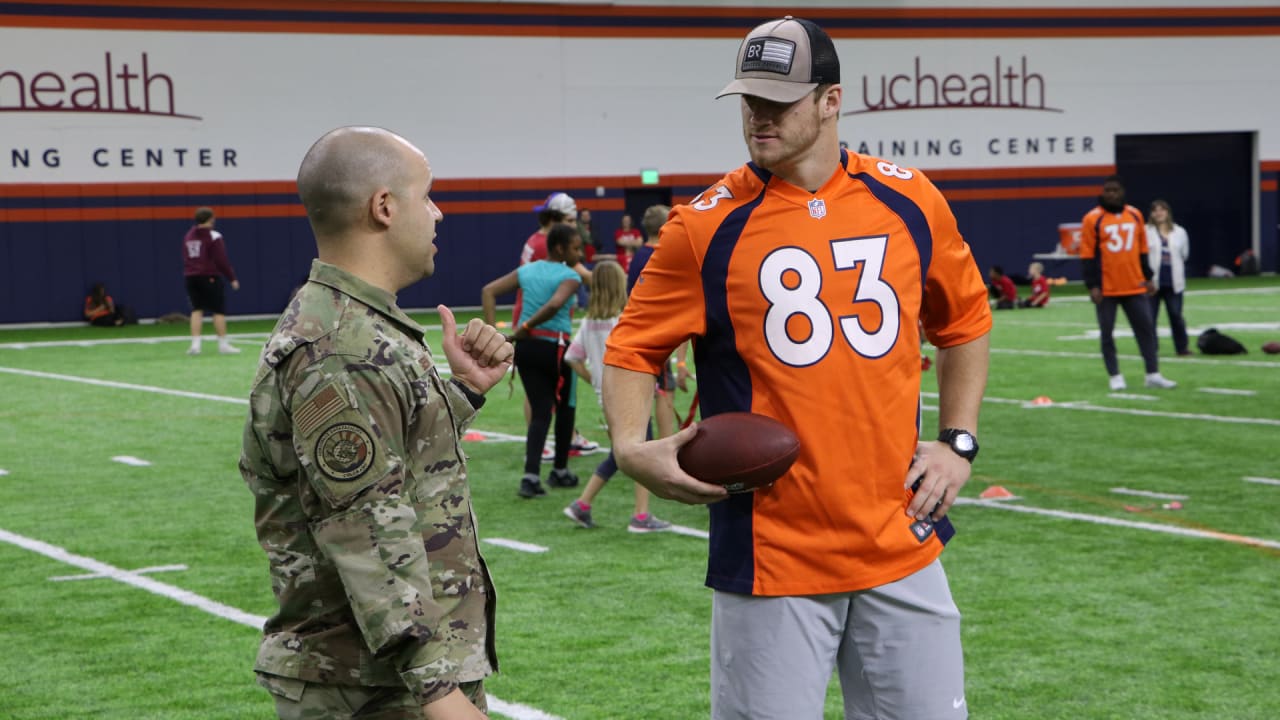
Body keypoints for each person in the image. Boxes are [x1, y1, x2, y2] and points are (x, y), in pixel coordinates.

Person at [602, 16, 992, 719]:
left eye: (778, 101)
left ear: (831, 101)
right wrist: (630, 446)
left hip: (900, 541)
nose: (759, 116)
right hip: (772, 554)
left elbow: (963, 321)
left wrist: (958, 442)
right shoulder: (703, 226)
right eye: (749, 100)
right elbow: (631, 349)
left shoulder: (909, 199)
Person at [239, 126, 512, 720]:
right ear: (384, 207)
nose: (438, 214)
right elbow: (366, 527)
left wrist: (462, 391)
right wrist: (440, 695)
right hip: (372, 689)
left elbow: (388, 462)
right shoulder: (341, 346)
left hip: (387, 678)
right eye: (429, 195)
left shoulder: (358, 325)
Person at [561, 260, 673, 532]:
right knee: (640, 452)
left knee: (620, 454)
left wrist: (595, 381)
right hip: (631, 398)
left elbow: (572, 357)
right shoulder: (623, 321)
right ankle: (640, 516)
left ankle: (583, 504)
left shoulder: (590, 323)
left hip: (608, 399)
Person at [483, 223, 584, 498]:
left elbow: (489, 291)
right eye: (576, 248)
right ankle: (560, 470)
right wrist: (521, 329)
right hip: (556, 348)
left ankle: (530, 477)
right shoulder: (570, 275)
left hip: (527, 350)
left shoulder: (528, 270)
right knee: (566, 407)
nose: (581, 253)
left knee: (540, 411)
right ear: (561, 248)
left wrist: (494, 334)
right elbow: (554, 305)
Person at [1079, 175, 1177, 390]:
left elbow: (1142, 250)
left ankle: (1153, 373)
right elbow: (1087, 254)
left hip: (1134, 284)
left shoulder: (1134, 214)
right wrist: (1093, 285)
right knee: (1107, 333)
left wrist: (1148, 277)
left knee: (1146, 329)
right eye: (1108, 191)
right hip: (1107, 287)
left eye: (1115, 190)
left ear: (1122, 192)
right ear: (1102, 193)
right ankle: (1115, 375)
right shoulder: (1092, 219)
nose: (1112, 195)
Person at [182, 206, 241, 354]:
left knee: (196, 310)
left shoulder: (188, 236)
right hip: (209, 276)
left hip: (191, 276)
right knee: (218, 310)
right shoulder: (214, 236)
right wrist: (232, 278)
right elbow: (221, 260)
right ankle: (223, 344)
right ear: (211, 219)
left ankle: (195, 345)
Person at [1146, 199, 1192, 356]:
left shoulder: (1180, 232)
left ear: (1168, 212)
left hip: (1174, 281)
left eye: (1162, 209)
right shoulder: (1145, 231)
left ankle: (1182, 347)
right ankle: (1151, 349)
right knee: (1150, 318)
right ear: (1151, 213)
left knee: (1176, 316)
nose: (1159, 213)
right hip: (1152, 282)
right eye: (1155, 210)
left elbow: (1184, 254)